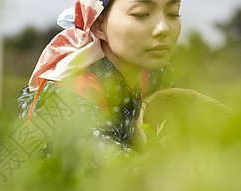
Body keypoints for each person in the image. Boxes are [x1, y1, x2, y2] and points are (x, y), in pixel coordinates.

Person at [17, 0, 182, 156]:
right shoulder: (69, 96)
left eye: (173, 14)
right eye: (141, 14)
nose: (163, 28)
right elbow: (116, 172)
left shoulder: (154, 73)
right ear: (97, 24)